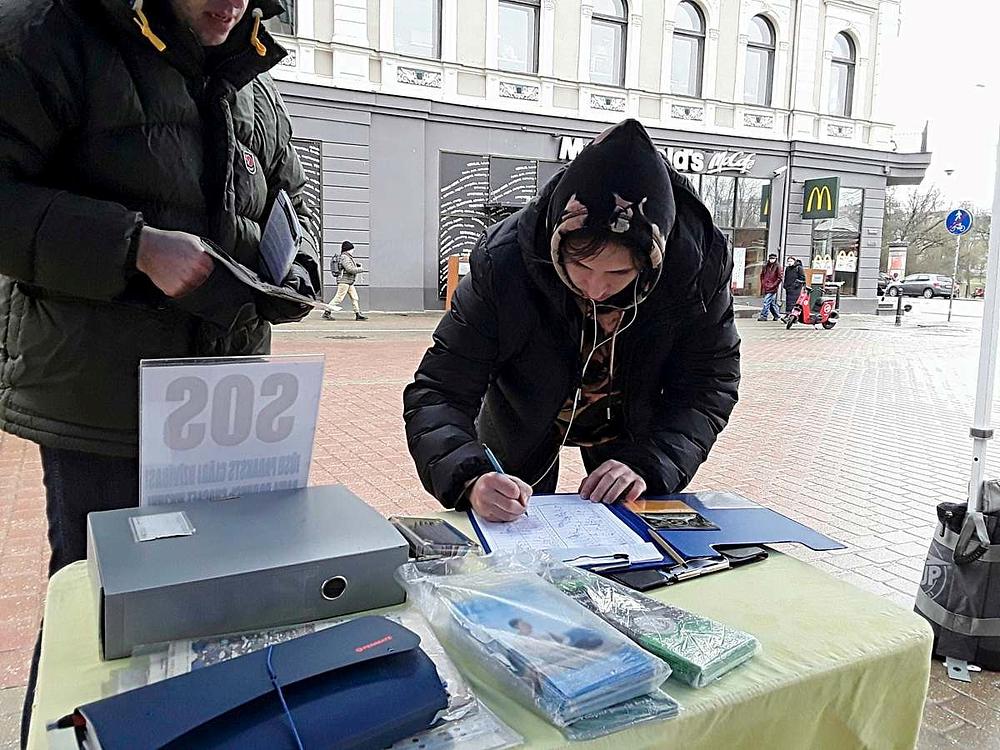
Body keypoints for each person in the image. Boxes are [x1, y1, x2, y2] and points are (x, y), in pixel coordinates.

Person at [0, 0, 321, 742]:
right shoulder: (51, 37)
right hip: (104, 398)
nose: (233, 1)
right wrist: (132, 245)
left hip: (226, 405)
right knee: (99, 603)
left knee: (217, 599)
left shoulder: (255, 84)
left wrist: (297, 265)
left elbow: (293, 201)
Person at [403, 119, 740, 523]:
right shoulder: (505, 262)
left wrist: (652, 463)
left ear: (653, 265)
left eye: (619, 275)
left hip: (635, 423)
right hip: (520, 413)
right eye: (579, 265)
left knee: (631, 534)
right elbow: (440, 388)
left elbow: (709, 383)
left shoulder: (695, 270)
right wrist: (469, 476)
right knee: (506, 516)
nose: (596, 289)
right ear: (555, 243)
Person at [323, 240, 369, 321]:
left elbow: (348, 266)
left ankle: (358, 313)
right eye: (352, 249)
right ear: (348, 249)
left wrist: (356, 265)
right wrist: (360, 269)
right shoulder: (345, 257)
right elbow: (349, 269)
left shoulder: (347, 257)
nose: (353, 251)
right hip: (344, 281)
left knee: (354, 297)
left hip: (349, 281)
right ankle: (327, 312)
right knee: (338, 298)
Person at [757, 253, 783, 321]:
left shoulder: (778, 266)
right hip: (766, 286)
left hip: (772, 288)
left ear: (775, 259)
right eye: (771, 258)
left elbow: (779, 277)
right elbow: (762, 275)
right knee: (771, 302)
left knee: (766, 301)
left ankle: (764, 315)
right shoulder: (766, 266)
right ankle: (776, 315)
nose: (772, 260)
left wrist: (774, 285)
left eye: (773, 258)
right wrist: (763, 283)